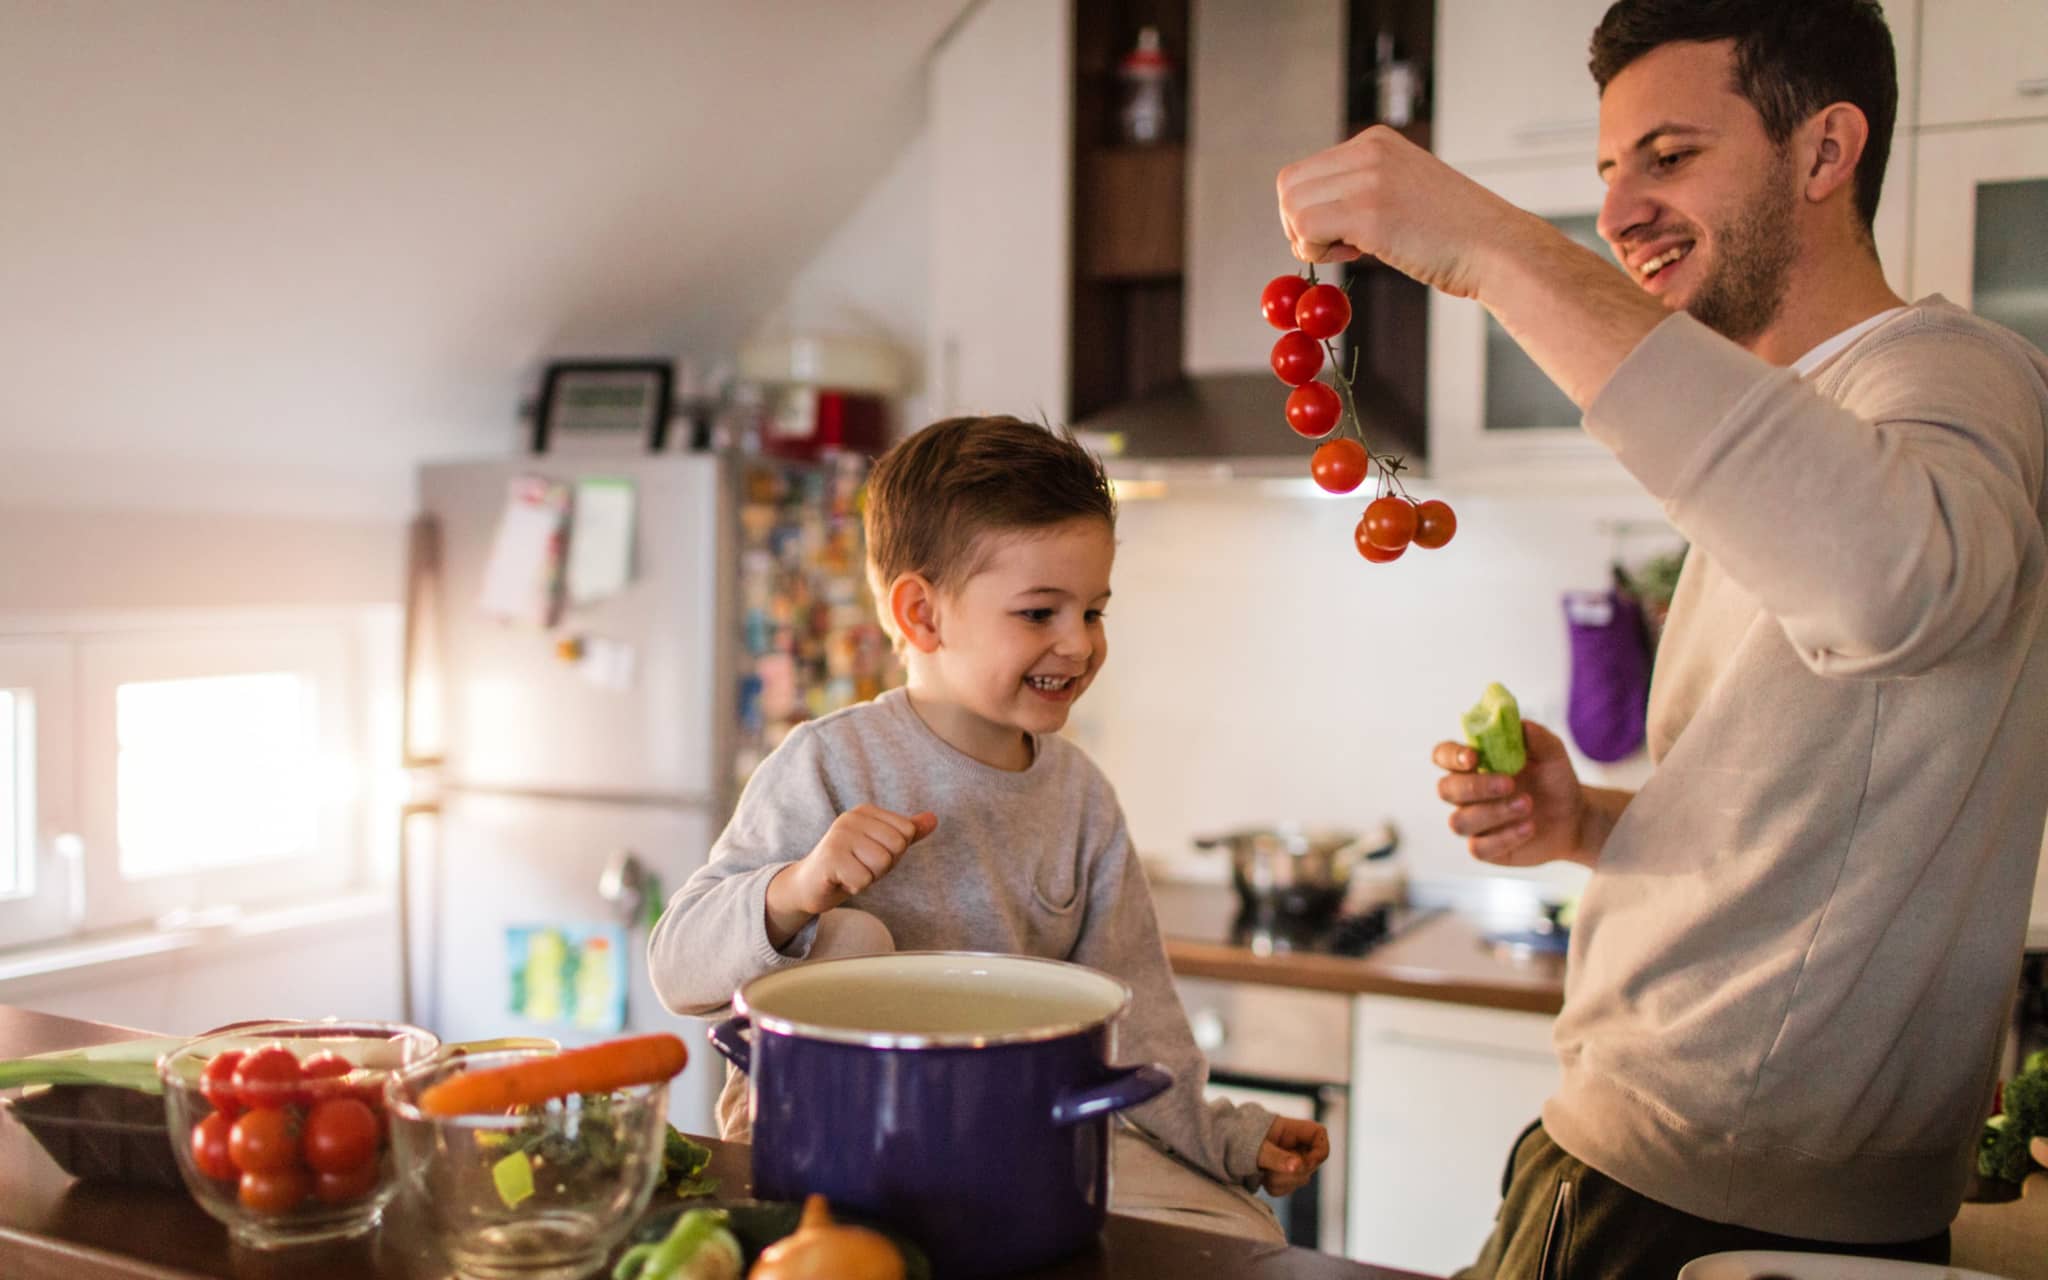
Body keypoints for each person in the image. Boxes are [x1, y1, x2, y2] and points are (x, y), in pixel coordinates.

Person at [1277, 0, 2048, 1274]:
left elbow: (1892, 590)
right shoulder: (1795, 425)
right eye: (1606, 171)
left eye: (1670, 156)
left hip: (1709, 1199)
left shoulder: (1946, 373)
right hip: (1631, 1154)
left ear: (1823, 151)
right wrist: (1588, 822)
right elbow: (1817, 822)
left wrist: (1488, 245)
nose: (1619, 207)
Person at [648, 415, 1329, 1243]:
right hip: (822, 1163)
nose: (1078, 645)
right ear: (922, 615)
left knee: (1248, 1236)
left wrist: (1225, 1138)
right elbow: (678, 967)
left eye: (1095, 611)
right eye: (1041, 612)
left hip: (1012, 1149)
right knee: (854, 936)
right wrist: (795, 892)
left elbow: (1136, 1017)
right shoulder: (826, 764)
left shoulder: (1081, 799)